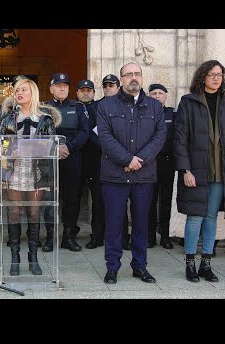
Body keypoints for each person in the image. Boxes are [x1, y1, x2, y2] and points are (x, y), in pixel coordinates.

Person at [174, 59, 225, 283]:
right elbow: (180, 139)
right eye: (212, 74)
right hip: (196, 171)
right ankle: (190, 264)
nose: (216, 78)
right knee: (194, 217)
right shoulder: (188, 103)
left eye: (220, 74)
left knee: (211, 217)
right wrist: (185, 169)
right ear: (202, 76)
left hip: (222, 172)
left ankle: (206, 263)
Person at [96, 62, 166, 284]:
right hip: (114, 176)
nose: (133, 78)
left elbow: (159, 137)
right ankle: (112, 267)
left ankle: (140, 266)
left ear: (142, 78)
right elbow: (105, 138)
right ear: (121, 79)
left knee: (141, 224)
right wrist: (127, 159)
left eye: (137, 74)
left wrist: (138, 161)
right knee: (114, 224)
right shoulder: (106, 106)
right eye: (128, 75)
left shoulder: (155, 107)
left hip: (144, 176)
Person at [0, 78, 61, 275]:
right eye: (17, 90)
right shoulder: (8, 119)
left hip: (37, 172)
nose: (19, 93)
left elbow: (52, 146)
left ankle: (33, 256)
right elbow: (0, 145)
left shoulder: (45, 119)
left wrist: (37, 149)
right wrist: (9, 151)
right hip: (14, 171)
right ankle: (15, 257)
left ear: (33, 93)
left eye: (23, 90)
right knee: (14, 212)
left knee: (34, 213)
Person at [43, 73, 88, 252]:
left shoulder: (77, 107)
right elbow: (40, 133)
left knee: (72, 199)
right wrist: (55, 148)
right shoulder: (44, 108)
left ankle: (68, 237)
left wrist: (68, 147)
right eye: (59, 85)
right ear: (51, 88)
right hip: (49, 158)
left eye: (65, 86)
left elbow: (84, 132)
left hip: (72, 156)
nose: (62, 88)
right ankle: (49, 237)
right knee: (49, 199)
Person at [100, 74, 132, 251]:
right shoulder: (100, 106)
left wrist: (126, 158)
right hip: (105, 161)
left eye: (111, 85)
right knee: (108, 206)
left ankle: (125, 239)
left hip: (127, 162)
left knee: (124, 207)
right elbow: (101, 135)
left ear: (118, 87)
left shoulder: (127, 105)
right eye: (105, 86)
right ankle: (103, 237)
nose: (108, 88)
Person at [76, 79, 105, 249]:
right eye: (82, 90)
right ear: (77, 92)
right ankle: (69, 232)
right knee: (72, 198)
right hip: (76, 158)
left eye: (89, 90)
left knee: (98, 199)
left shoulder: (100, 108)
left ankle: (97, 235)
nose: (85, 93)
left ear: (94, 93)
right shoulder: (73, 107)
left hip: (96, 159)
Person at [147, 83, 176, 249]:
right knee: (149, 201)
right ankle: (149, 237)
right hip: (150, 162)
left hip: (168, 163)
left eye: (160, 93)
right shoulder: (144, 114)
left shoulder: (172, 113)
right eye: (153, 93)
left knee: (166, 201)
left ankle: (165, 236)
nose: (157, 96)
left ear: (166, 96)